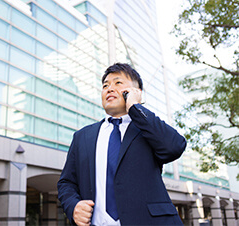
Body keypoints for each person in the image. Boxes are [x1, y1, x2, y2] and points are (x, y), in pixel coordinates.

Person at [57, 63, 186, 225]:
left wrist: (135, 107)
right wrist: (73, 205)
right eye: (105, 85)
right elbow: (66, 182)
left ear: (137, 92)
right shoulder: (82, 136)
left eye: (118, 83)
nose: (109, 88)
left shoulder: (148, 128)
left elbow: (175, 146)